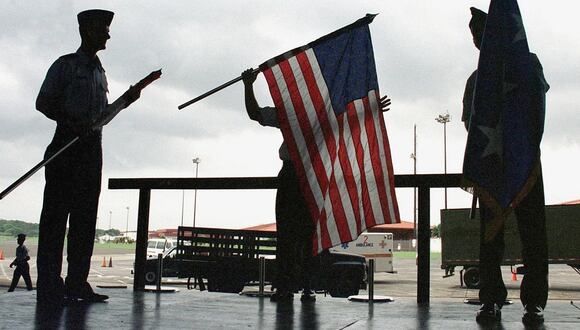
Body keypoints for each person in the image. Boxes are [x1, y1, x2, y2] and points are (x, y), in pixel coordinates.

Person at [241, 68, 391, 303]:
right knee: (307, 236)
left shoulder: (293, 114)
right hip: (310, 177)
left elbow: (256, 114)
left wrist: (248, 85)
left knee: (292, 235)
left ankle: (289, 287)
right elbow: (350, 118)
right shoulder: (319, 116)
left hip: (296, 176)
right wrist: (370, 109)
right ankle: (306, 287)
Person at [35, 9, 141, 305]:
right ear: (86, 31)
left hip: (91, 150)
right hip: (66, 146)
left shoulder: (100, 72)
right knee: (55, 219)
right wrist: (71, 122)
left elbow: (101, 117)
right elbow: (43, 102)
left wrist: (125, 102)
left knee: (85, 219)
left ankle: (77, 282)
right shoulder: (65, 66)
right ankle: (49, 285)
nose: (108, 34)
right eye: (103, 28)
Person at [463, 7, 549, 326]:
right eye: (473, 37)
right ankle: (491, 299)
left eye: (480, 34)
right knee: (490, 238)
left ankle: (535, 303)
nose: (476, 41)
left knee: (534, 236)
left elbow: (537, 107)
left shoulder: (527, 64)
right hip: (493, 166)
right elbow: (472, 129)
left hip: (526, 163)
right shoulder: (477, 81)